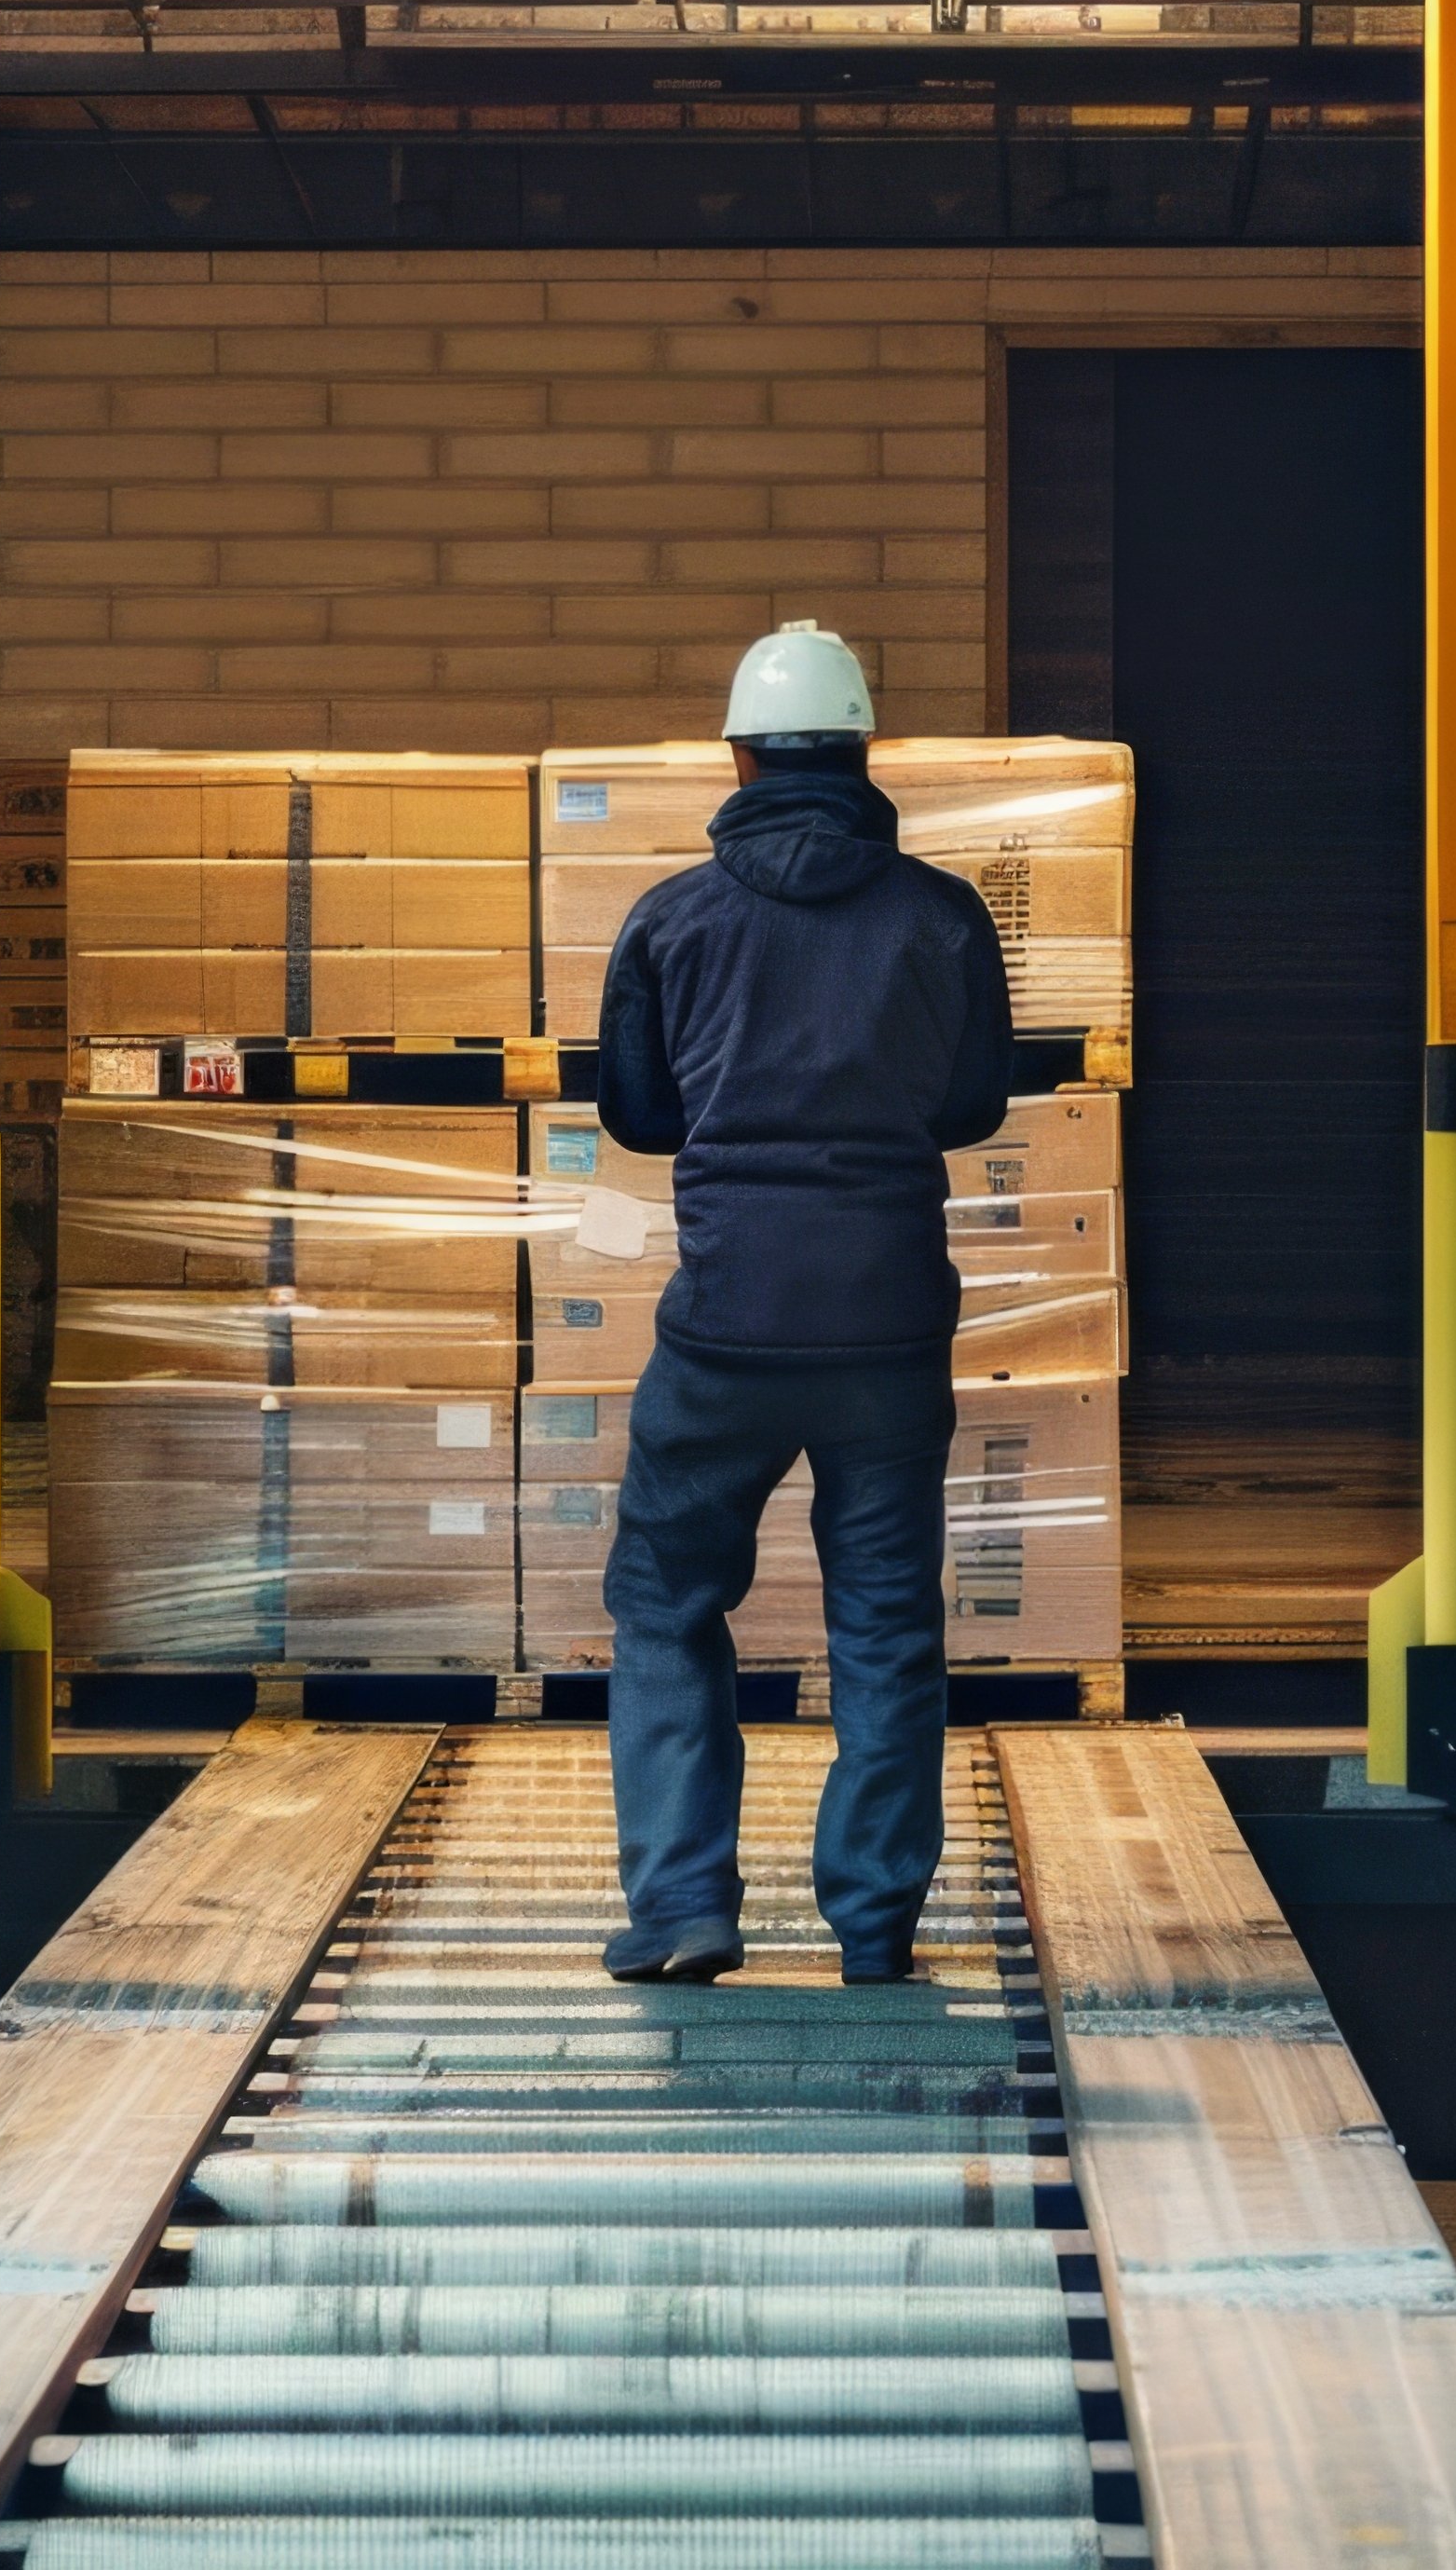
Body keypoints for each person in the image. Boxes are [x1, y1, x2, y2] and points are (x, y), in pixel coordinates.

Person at [589, 622, 1015, 1984]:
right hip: (891, 1332)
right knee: (886, 1624)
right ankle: (875, 1924)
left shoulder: (672, 919)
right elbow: (974, 1105)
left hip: (726, 1330)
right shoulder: (943, 916)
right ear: (864, 752)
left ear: (738, 757)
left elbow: (638, 1115)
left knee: (666, 1600)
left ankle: (682, 1908)